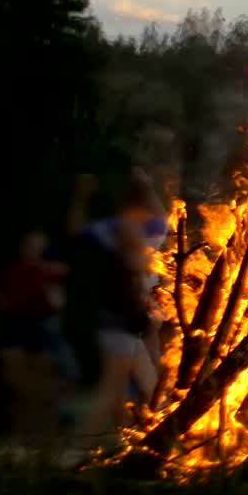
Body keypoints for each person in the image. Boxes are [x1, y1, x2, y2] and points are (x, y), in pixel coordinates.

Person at [73, 168, 168, 447]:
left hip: (126, 324)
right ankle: (89, 441)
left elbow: (159, 222)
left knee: (140, 383)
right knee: (116, 386)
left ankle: (121, 436)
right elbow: (159, 221)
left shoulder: (114, 243)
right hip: (120, 324)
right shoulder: (123, 261)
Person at [0, 228, 73, 441]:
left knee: (55, 376)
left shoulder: (44, 271)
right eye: (34, 245)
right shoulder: (19, 271)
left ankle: (48, 425)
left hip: (38, 327)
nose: (37, 249)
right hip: (25, 327)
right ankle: (30, 428)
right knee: (25, 380)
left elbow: (57, 300)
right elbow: (5, 301)